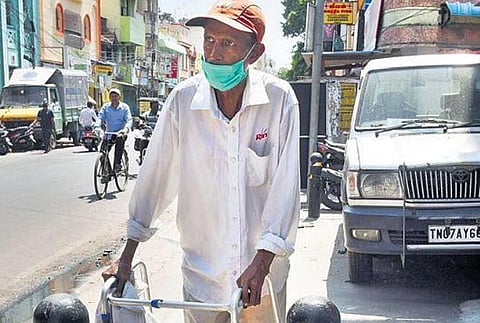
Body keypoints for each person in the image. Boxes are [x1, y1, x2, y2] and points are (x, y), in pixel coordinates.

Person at [113, 1, 300, 322]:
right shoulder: (182, 102)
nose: (214, 54)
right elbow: (154, 179)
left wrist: (262, 261)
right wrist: (126, 255)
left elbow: (285, 190)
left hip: (262, 279)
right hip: (202, 278)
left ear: (253, 53)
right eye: (209, 41)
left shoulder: (279, 100)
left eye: (228, 44)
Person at [98, 88, 132, 171]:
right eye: (112, 96)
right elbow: (100, 118)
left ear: (119, 97)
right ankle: (107, 172)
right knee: (102, 153)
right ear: (110, 98)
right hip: (109, 134)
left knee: (120, 141)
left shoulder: (124, 107)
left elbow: (129, 120)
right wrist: (96, 127)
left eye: (116, 96)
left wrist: (125, 130)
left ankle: (117, 164)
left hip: (120, 133)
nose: (114, 98)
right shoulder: (106, 107)